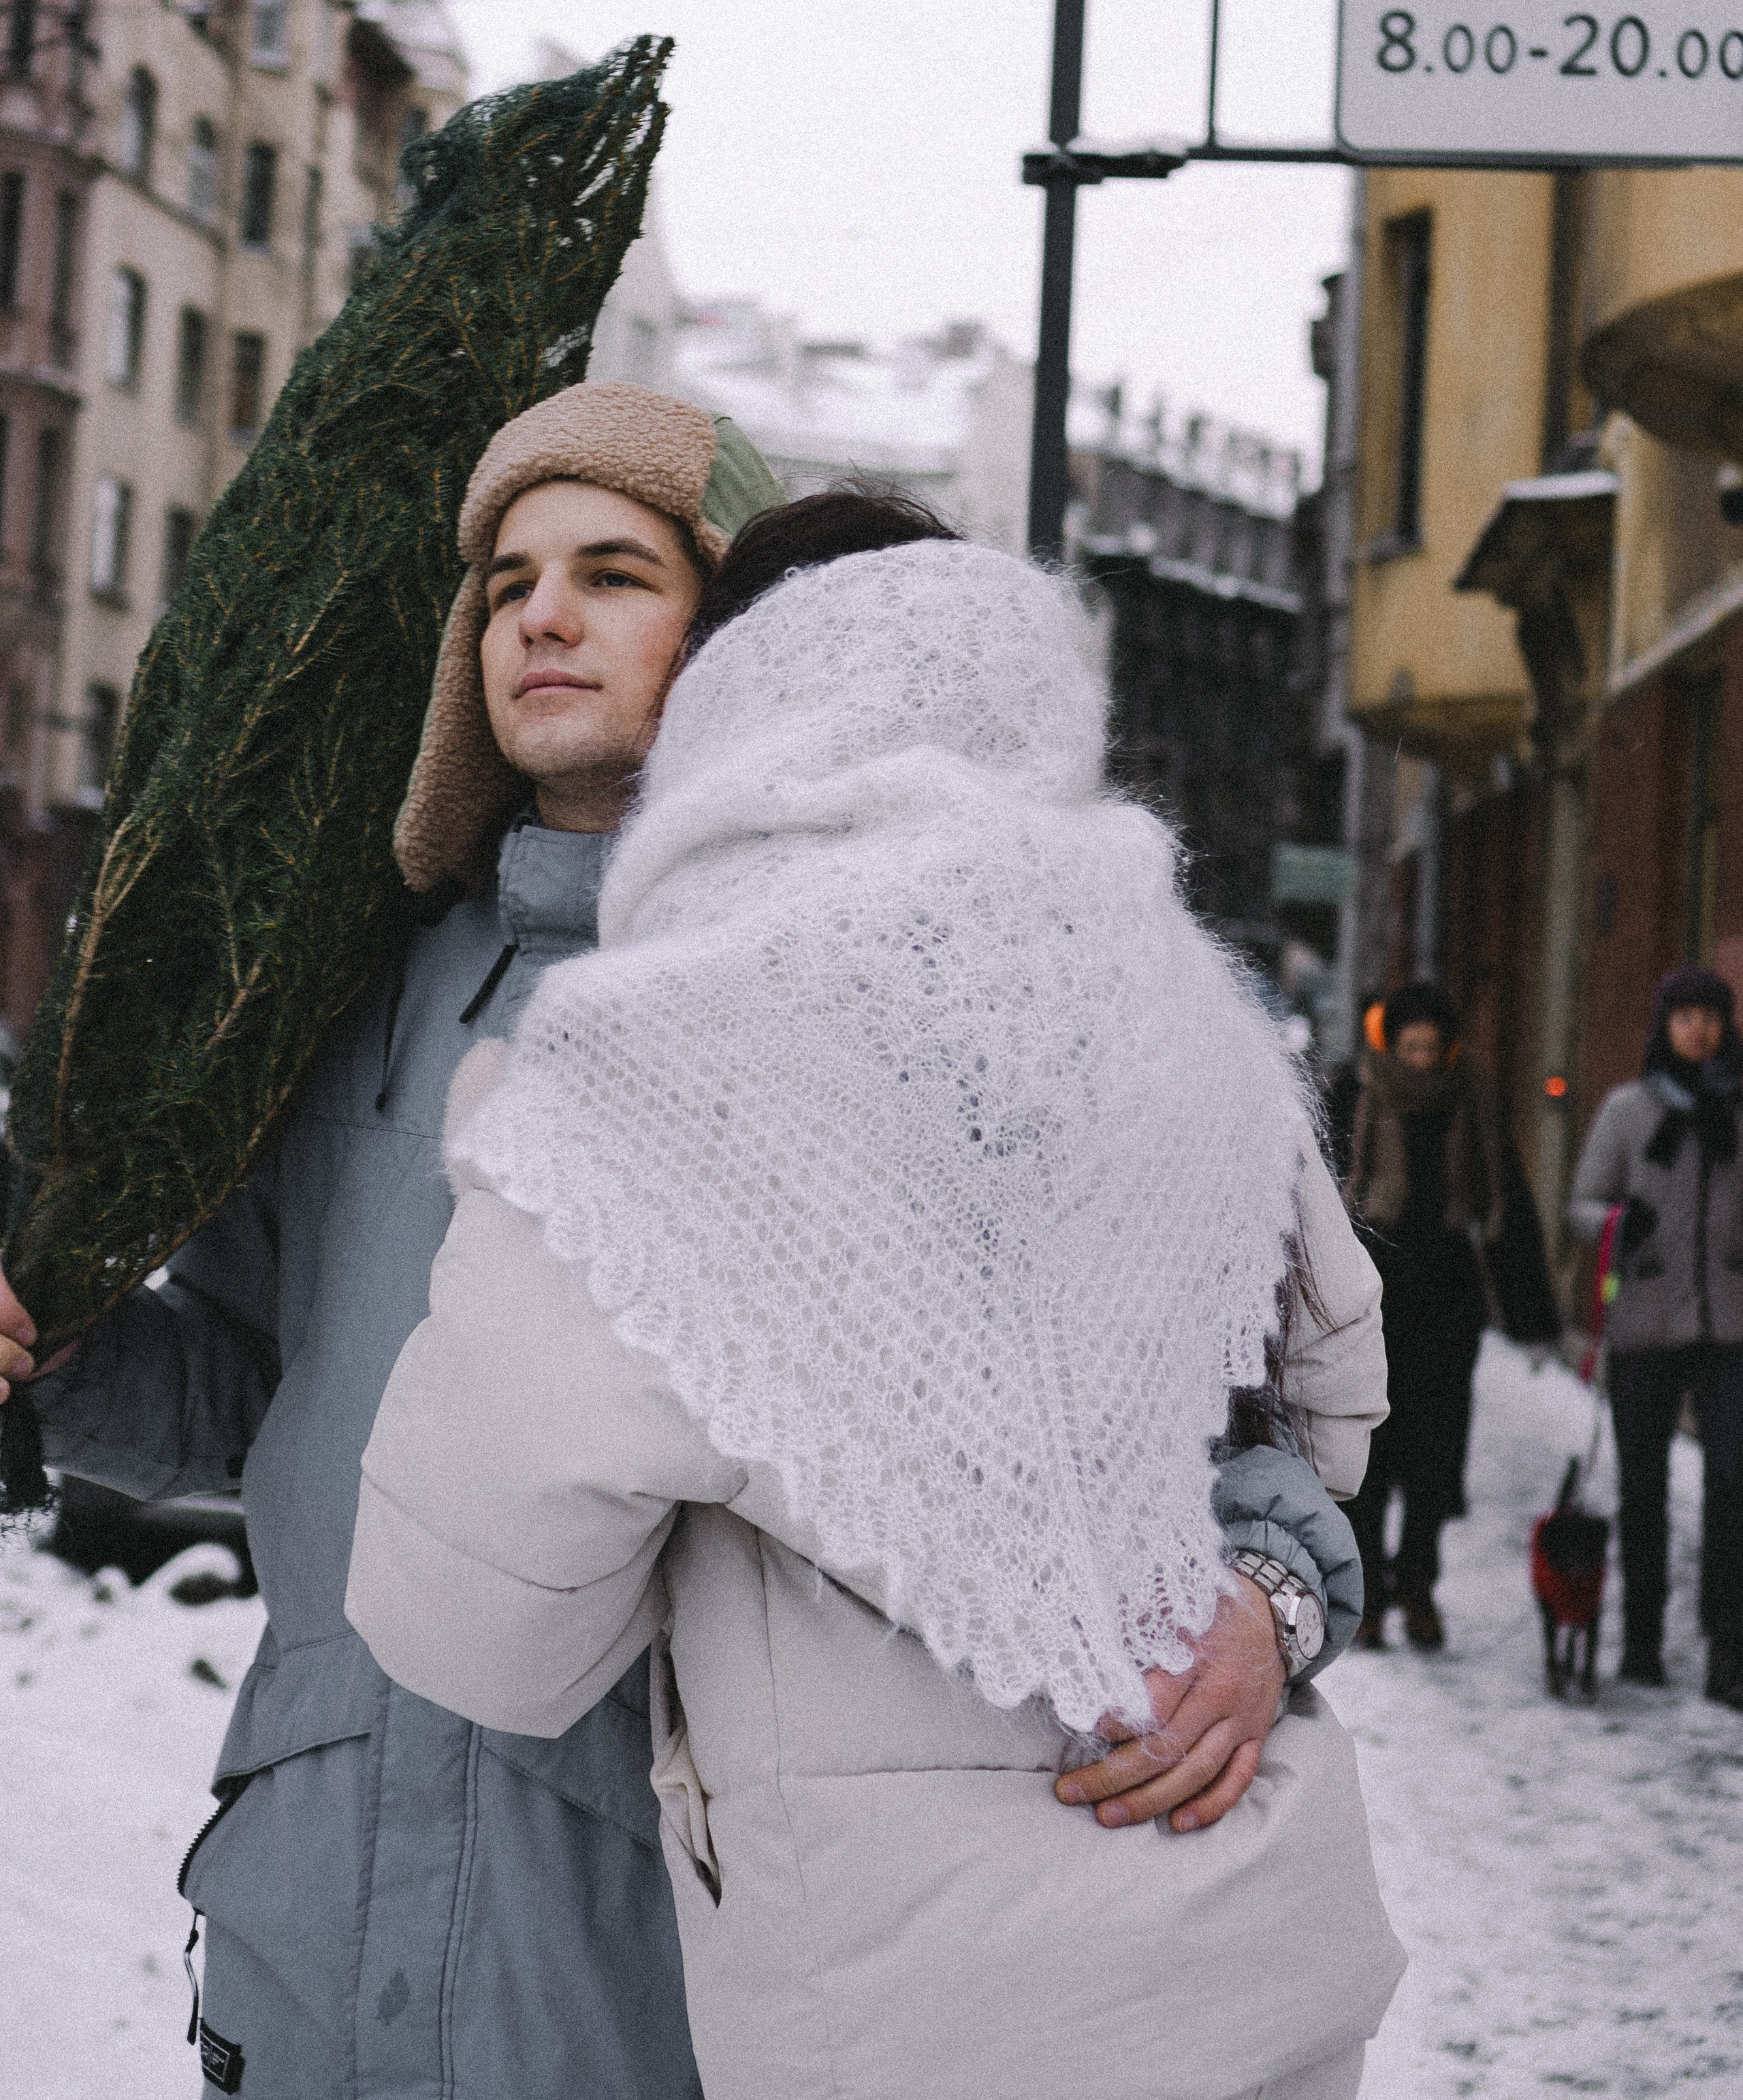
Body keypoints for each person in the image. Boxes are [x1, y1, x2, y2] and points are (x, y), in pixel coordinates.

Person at [0, 425, 1375, 2100]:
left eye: (612, 575)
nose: (539, 620)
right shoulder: (350, 1001)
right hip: (319, 1894)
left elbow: (1197, 1398)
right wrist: (60, 1356)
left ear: (746, 636)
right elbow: (259, 1399)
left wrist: (1261, 1595)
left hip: (661, 1942)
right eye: (504, 584)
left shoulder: (915, 991)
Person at [346, 507, 1404, 2100]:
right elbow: (1321, 1420)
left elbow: (476, 1632)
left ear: (734, 703)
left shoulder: (643, 1072)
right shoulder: (1189, 1007)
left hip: (915, 2014)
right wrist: (1264, 1601)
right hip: (1256, 1950)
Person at [1568, 964, 1743, 1706]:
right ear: (1664, 1027)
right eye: (1684, 1019)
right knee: (1643, 1488)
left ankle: (1726, 1649)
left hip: (1730, 1323)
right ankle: (1641, 1639)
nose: (1697, 1031)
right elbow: (1581, 1202)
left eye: (1710, 1018)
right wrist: (1613, 1225)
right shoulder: (1628, 1111)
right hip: (1644, 1322)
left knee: (1732, 1485)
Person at [1343, 979, 1502, 1652]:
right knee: (1373, 1449)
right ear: (1391, 1044)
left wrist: (1489, 1232)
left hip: (1446, 1285)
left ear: (1446, 1048)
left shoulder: (1472, 1091)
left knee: (1433, 1452)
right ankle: (1370, 1597)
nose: (1418, 1058)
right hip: (1382, 1282)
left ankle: (1419, 1588)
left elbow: (1498, 1179)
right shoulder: (1370, 1090)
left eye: (1429, 1048)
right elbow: (1351, 1179)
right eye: (1407, 1046)